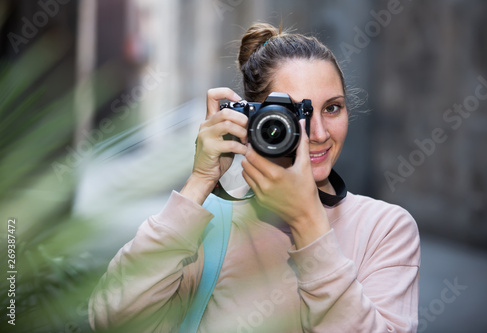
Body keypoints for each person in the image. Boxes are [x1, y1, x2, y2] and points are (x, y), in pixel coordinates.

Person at [89, 22, 420, 332]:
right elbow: (112, 319)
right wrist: (200, 181)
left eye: (332, 108)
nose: (317, 133)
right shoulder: (207, 229)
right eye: (295, 113)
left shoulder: (386, 229)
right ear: (252, 119)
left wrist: (307, 222)